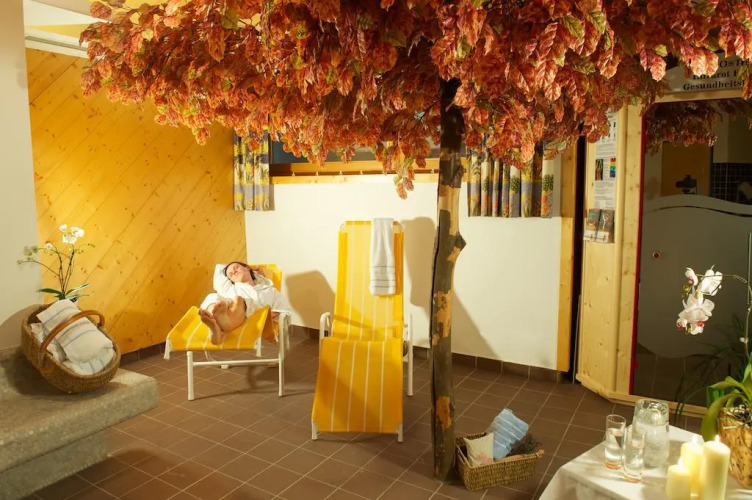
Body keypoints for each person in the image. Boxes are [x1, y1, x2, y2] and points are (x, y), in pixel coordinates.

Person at [198, 261, 291, 344]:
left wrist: (264, 317)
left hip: (251, 315)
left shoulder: (269, 290)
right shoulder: (230, 288)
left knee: (239, 299)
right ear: (230, 280)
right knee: (213, 297)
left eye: (236, 267)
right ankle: (217, 325)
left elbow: (284, 310)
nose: (234, 272)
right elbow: (219, 268)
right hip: (228, 309)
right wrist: (253, 268)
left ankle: (216, 329)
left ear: (246, 268)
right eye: (230, 274)